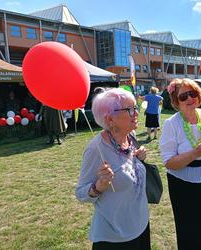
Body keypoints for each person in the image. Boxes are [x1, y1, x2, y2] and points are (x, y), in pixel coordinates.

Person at [75, 88, 150, 250]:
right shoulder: (96, 149)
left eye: (135, 108)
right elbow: (80, 193)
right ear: (110, 119)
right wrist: (98, 186)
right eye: (130, 110)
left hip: (140, 224)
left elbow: (128, 167)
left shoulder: (131, 136)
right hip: (114, 237)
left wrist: (139, 158)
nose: (136, 113)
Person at [159, 78, 201, 250]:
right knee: (190, 232)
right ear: (176, 101)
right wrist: (196, 152)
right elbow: (169, 162)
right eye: (184, 96)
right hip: (184, 186)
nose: (190, 99)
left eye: (193, 93)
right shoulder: (172, 124)